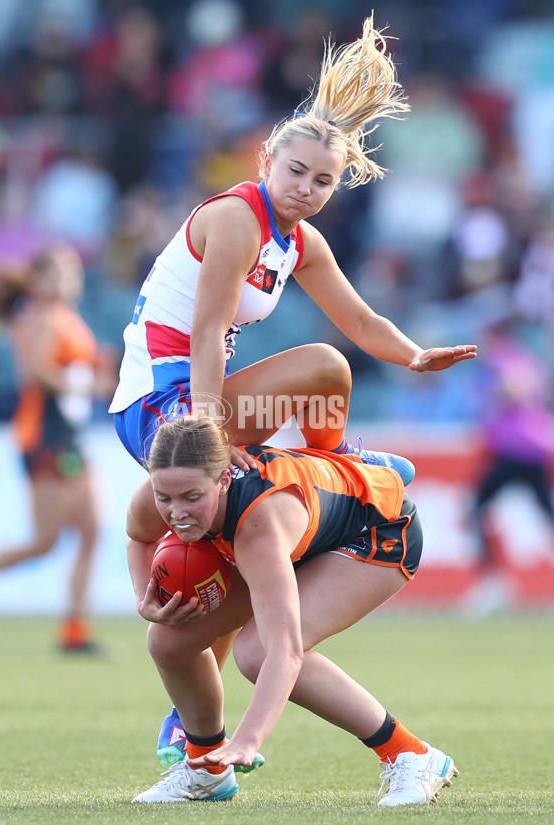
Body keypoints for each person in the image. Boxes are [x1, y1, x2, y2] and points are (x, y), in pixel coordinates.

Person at [109, 14, 476, 763]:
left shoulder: (298, 238)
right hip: (164, 404)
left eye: (323, 180)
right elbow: (206, 335)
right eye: (296, 172)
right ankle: (353, 473)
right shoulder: (240, 218)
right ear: (266, 159)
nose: (307, 189)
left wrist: (412, 355)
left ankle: (190, 724)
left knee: (242, 529)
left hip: (193, 398)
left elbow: (361, 315)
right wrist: (209, 436)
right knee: (323, 369)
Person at [125, 415, 459, 807]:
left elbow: (285, 652)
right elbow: (139, 537)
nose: (176, 512)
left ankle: (411, 755)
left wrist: (248, 739)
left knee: (259, 653)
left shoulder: (259, 528)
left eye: (192, 498)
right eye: (165, 498)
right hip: (304, 532)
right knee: (167, 641)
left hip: (378, 530)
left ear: (224, 480)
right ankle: (206, 770)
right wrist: (142, 598)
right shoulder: (163, 488)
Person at [0, 244, 116, 651]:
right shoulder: (42, 318)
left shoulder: (69, 319)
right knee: (45, 541)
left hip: (70, 435)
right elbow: (37, 372)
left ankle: (76, 629)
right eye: (57, 274)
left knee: (93, 529)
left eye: (72, 273)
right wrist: (86, 384)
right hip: (47, 436)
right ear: (39, 281)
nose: (66, 281)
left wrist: (96, 376)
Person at [463, 319, 554, 616]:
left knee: (476, 507)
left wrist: (497, 396)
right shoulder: (526, 359)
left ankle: (493, 584)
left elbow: (513, 391)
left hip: (513, 450)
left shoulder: (500, 360)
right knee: (544, 512)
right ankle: (493, 585)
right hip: (533, 448)